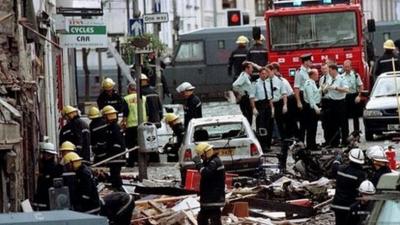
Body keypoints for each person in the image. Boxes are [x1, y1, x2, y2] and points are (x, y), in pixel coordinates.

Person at [192, 142, 225, 225]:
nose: (202, 158)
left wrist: (199, 164)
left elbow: (206, 173)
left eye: (202, 156)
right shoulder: (211, 161)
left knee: (214, 220)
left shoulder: (214, 162)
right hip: (209, 197)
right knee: (202, 219)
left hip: (213, 197)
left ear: (206, 152)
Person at [331, 148, 366, 225]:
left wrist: (337, 158)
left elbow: (334, 168)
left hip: (338, 205)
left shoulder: (341, 169)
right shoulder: (360, 174)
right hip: (350, 207)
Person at [323, 64, 349, 147]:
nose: (329, 73)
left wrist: (336, 88)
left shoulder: (341, 78)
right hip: (331, 102)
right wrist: (325, 89)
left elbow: (346, 89)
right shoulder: (330, 79)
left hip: (340, 102)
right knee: (333, 124)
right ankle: (335, 142)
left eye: (330, 71)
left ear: (334, 70)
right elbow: (327, 90)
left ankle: (345, 141)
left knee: (343, 123)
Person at [249, 67, 274, 152]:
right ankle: (262, 146)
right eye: (262, 73)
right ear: (259, 74)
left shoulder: (268, 83)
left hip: (267, 105)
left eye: (265, 73)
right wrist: (254, 108)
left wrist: (272, 108)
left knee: (269, 126)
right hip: (260, 105)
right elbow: (252, 97)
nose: (264, 75)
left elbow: (270, 97)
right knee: (261, 127)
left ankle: (268, 144)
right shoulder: (255, 83)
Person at [33, 142, 63, 211]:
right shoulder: (46, 166)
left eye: (43, 154)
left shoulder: (51, 167)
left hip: (46, 200)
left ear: (48, 155)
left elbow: (46, 183)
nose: (42, 156)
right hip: (44, 200)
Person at [102, 105, 126, 191]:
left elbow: (117, 143)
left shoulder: (114, 128)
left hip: (116, 156)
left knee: (115, 175)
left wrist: (109, 152)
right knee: (114, 175)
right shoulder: (111, 127)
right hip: (114, 156)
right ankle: (117, 190)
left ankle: (120, 191)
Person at [124, 82, 147, 167]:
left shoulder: (126, 99)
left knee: (131, 145)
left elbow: (126, 113)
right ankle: (144, 162)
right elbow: (147, 112)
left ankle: (131, 162)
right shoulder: (143, 98)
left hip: (131, 126)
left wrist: (123, 123)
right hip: (142, 125)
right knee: (142, 144)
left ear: (129, 89)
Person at [267, 64, 288, 144]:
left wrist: (285, 105)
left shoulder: (279, 81)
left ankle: (283, 139)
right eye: (267, 72)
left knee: (280, 122)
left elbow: (284, 93)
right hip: (269, 104)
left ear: (273, 71)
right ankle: (271, 140)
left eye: (269, 71)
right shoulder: (265, 82)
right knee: (270, 123)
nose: (268, 73)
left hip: (278, 103)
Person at [294, 53, 313, 142]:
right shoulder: (299, 72)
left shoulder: (310, 71)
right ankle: (301, 142)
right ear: (305, 62)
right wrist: (298, 101)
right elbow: (296, 88)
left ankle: (310, 143)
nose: (311, 62)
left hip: (309, 97)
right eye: (309, 61)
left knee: (310, 122)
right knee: (303, 122)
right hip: (302, 96)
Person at [342, 60, 363, 134]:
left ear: (351, 67)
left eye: (348, 67)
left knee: (355, 116)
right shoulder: (341, 76)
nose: (346, 68)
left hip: (354, 96)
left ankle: (356, 134)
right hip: (345, 97)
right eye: (345, 67)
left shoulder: (355, 75)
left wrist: (359, 96)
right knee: (344, 117)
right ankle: (346, 134)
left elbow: (360, 86)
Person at [303, 69, 321, 150]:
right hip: (311, 108)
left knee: (314, 127)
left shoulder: (313, 83)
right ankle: (310, 145)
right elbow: (310, 98)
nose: (318, 76)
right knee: (311, 127)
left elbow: (315, 94)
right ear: (312, 75)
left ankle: (313, 144)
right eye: (317, 74)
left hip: (313, 106)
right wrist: (316, 108)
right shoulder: (309, 84)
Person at [319, 63, 332, 146]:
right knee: (324, 123)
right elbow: (320, 91)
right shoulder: (321, 79)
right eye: (322, 69)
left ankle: (331, 141)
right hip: (323, 102)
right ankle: (326, 140)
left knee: (330, 122)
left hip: (329, 101)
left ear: (328, 69)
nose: (324, 70)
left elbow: (325, 89)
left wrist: (323, 89)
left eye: (325, 69)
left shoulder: (331, 78)